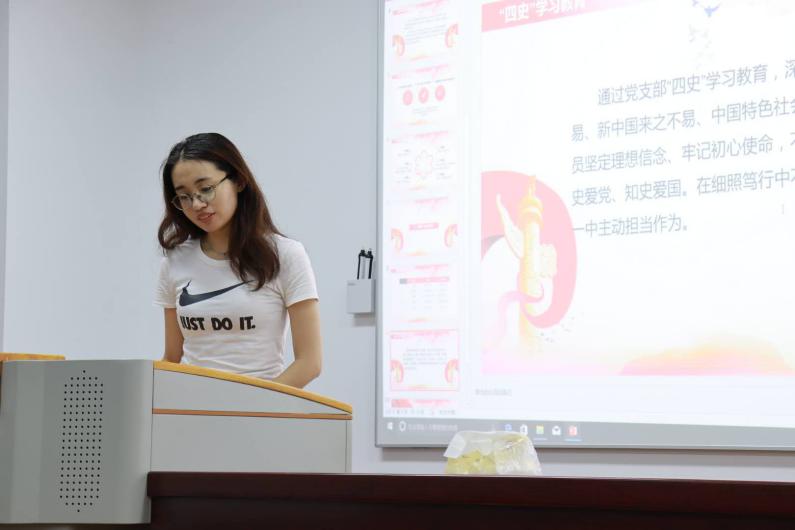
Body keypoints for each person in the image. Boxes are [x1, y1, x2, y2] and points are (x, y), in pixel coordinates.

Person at [153, 132, 321, 388]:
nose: (196, 204)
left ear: (239, 181)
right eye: (184, 196)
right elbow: (172, 359)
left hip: (261, 407)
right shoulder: (175, 262)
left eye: (206, 189)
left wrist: (255, 405)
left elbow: (309, 363)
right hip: (189, 406)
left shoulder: (285, 255)